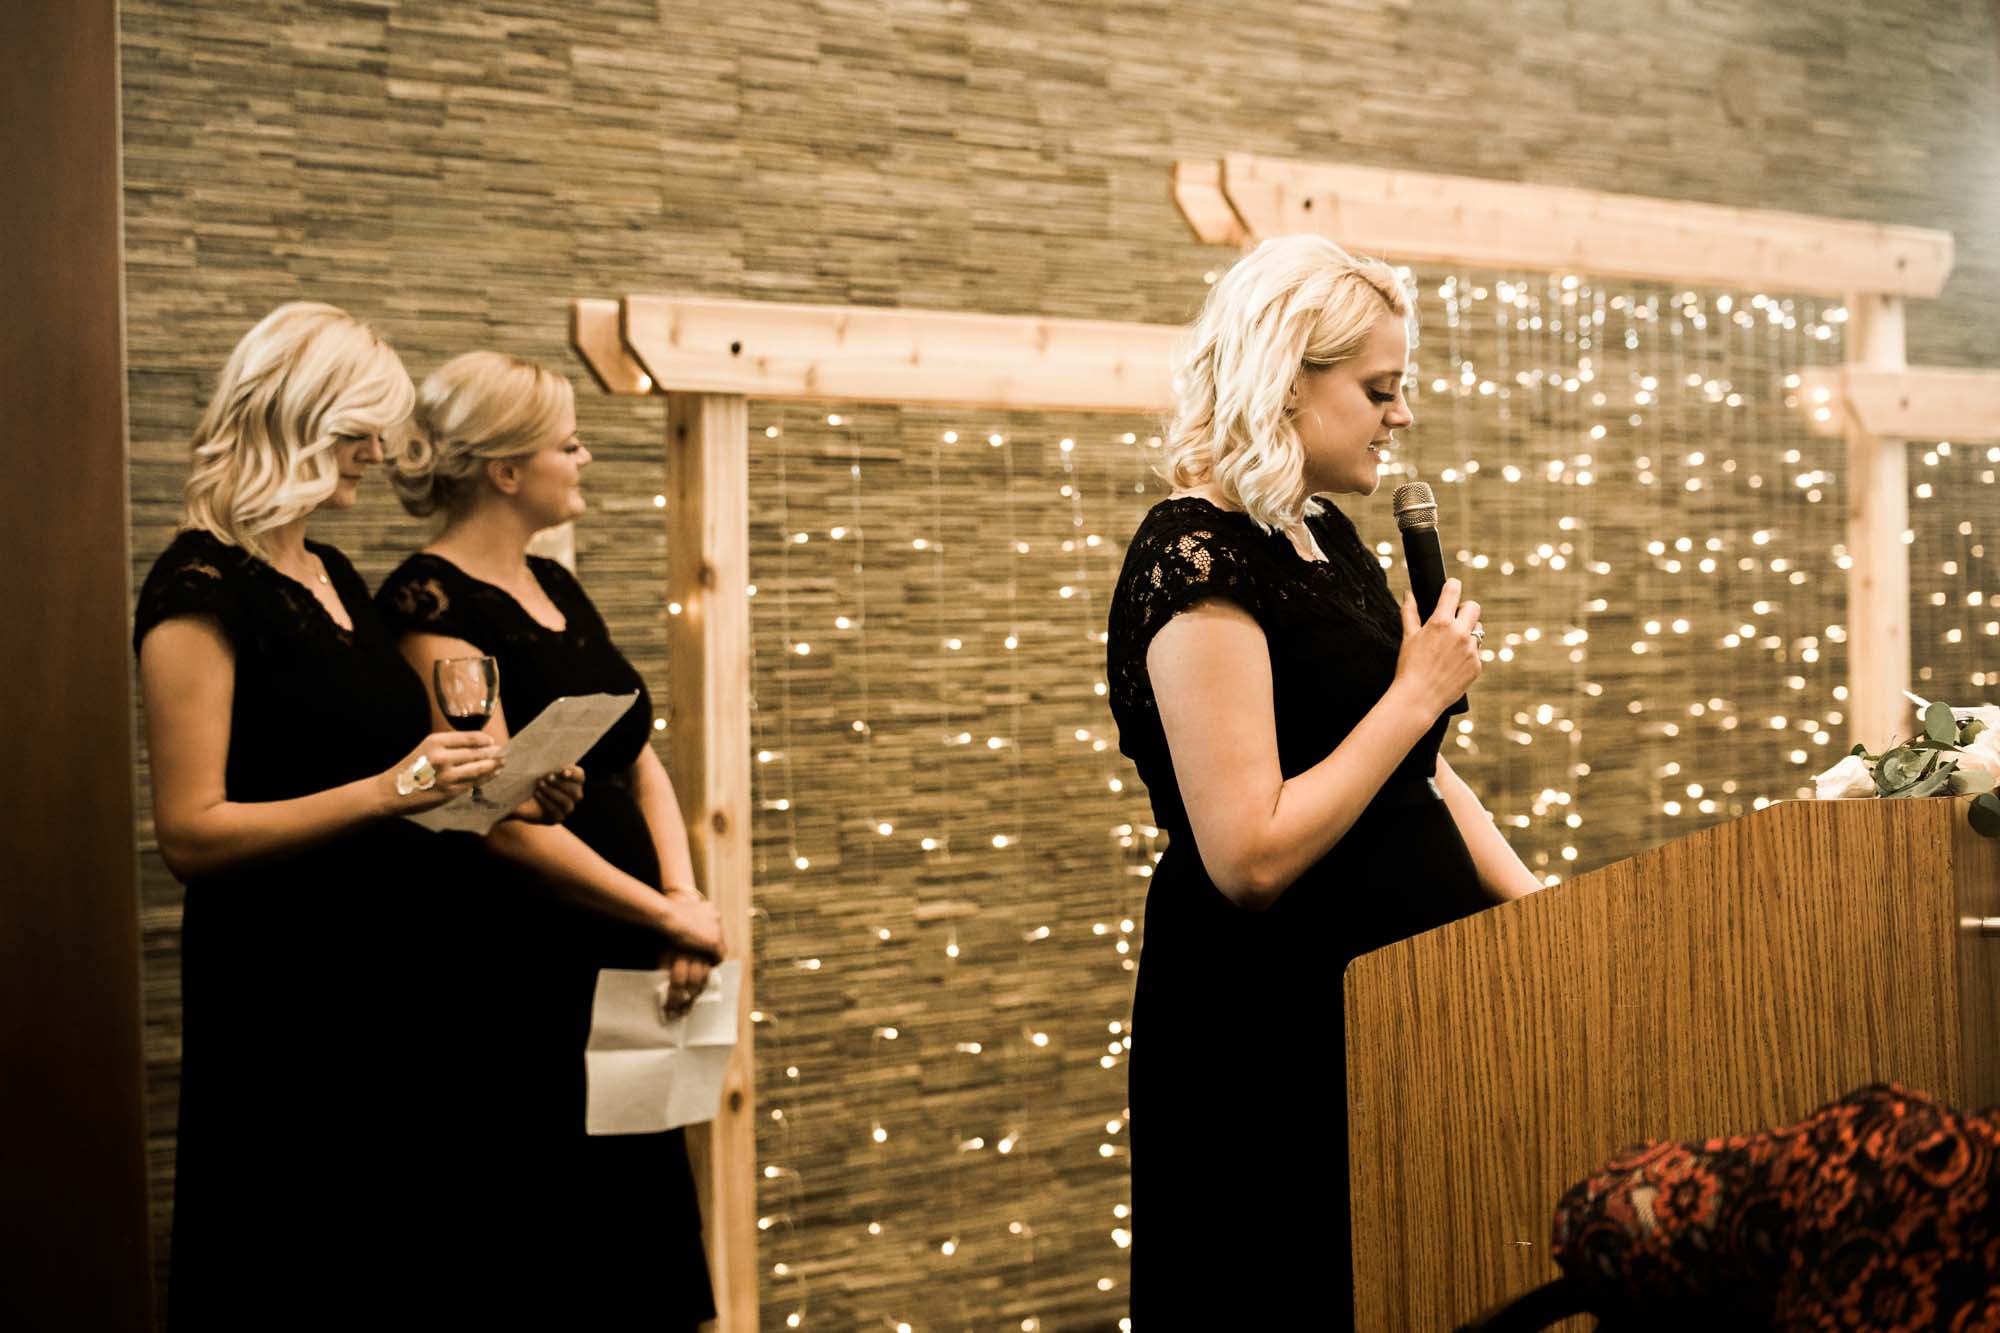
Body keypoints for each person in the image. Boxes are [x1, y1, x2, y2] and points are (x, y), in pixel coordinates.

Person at [1105, 236, 1543, 1325]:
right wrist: (1414, 690)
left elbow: (1421, 779)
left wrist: (1551, 918)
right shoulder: (1196, 560)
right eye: (1378, 390)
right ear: (1284, 378)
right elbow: (1248, 855)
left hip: (1408, 1009)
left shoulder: (1321, 536)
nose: (1399, 417)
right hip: (1275, 1030)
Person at [134, 302, 580, 1328]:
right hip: (287, 995)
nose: (377, 455)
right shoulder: (198, 586)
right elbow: (192, 834)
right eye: (357, 433)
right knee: (306, 1265)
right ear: (292, 422)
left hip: (394, 979)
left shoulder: (330, 572)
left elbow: (385, 771)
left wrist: (500, 785)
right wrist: (396, 787)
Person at [377, 349, 721, 1326]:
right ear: (504, 469)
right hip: (518, 975)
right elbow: (492, 820)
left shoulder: (556, 588)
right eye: (568, 442)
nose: (586, 458)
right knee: (544, 1257)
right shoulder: (428, 604)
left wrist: (685, 900)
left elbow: (637, 755)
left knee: (637, 1252)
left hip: (621, 956)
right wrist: (665, 910)